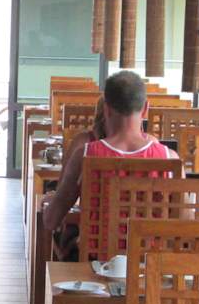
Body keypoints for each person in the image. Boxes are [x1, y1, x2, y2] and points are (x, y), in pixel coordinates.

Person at [40, 70, 175, 252]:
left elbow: (51, 220)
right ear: (145, 108)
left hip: (96, 262)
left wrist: (46, 205)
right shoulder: (170, 158)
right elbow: (186, 222)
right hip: (151, 263)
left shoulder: (86, 154)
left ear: (106, 109)